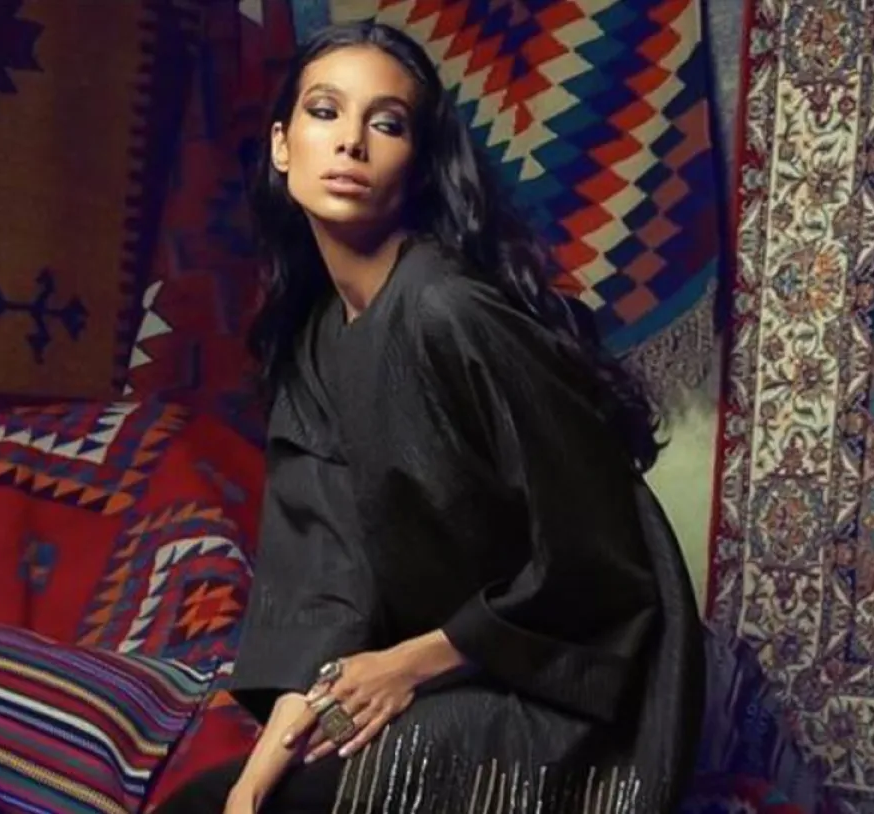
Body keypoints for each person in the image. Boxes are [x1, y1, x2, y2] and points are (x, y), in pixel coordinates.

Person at [157, 21, 705, 814]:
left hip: (572, 700)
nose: (350, 142)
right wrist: (252, 780)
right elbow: (324, 587)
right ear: (281, 145)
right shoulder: (315, 340)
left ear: (417, 162)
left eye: (386, 124)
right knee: (205, 805)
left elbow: (598, 557)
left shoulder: (449, 309)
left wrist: (410, 664)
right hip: (440, 670)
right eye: (324, 112)